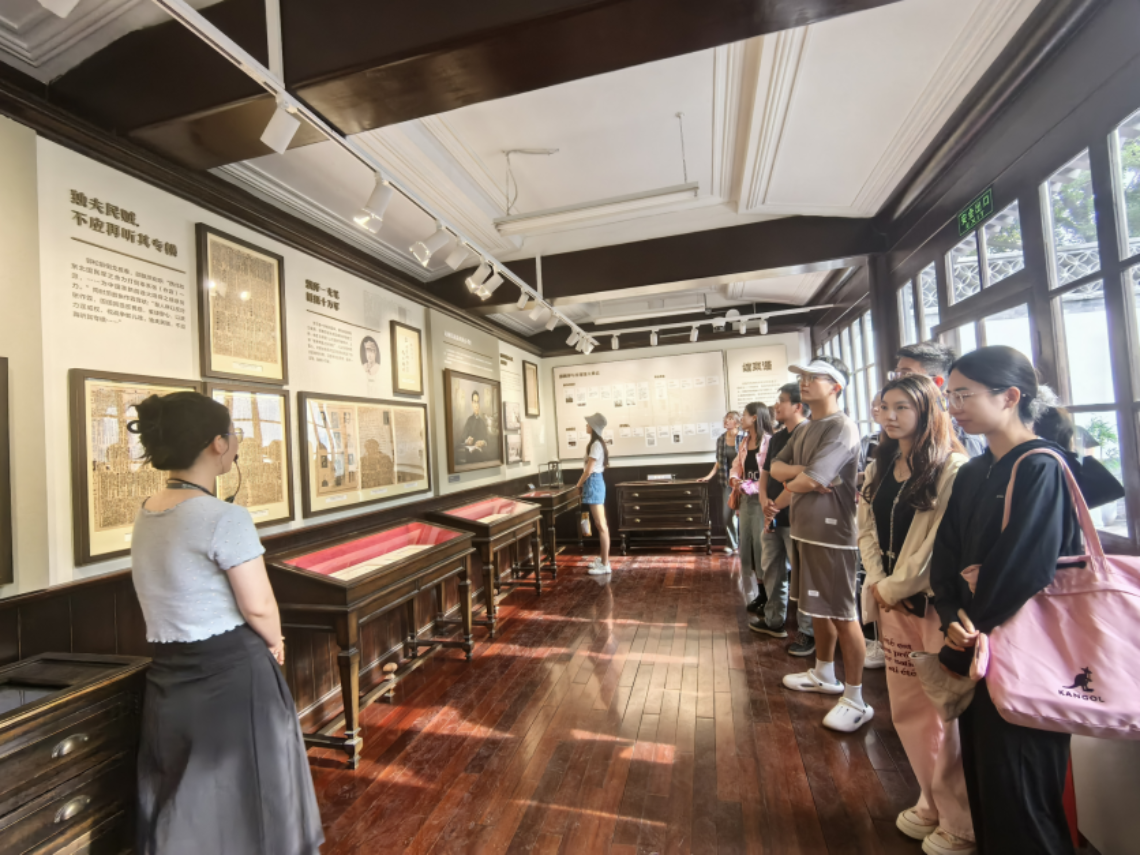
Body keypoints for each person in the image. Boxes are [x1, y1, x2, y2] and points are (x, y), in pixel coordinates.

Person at [127, 392, 323, 855]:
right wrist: (276, 642)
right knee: (252, 792)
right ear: (218, 444)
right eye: (233, 435)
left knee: (184, 793)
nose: (236, 443)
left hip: (169, 672)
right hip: (232, 671)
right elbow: (259, 605)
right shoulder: (224, 517)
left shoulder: (147, 511)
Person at [931, 346, 1082, 854]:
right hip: (977, 645)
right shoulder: (974, 470)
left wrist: (968, 622)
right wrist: (950, 614)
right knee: (988, 785)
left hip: (1023, 651)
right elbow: (945, 553)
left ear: (1010, 396)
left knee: (1023, 793)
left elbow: (1027, 569)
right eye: (951, 397)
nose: (955, 407)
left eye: (965, 395)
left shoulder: (1041, 466)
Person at [858, 375, 972, 856]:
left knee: (946, 710)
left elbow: (937, 546)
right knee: (908, 710)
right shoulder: (880, 465)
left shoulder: (952, 467)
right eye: (884, 406)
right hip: (890, 603)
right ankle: (929, 801)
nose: (889, 416)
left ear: (928, 409)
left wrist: (893, 587)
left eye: (902, 407)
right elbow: (865, 528)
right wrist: (878, 582)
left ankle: (961, 821)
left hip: (931, 607)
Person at [767, 356, 869, 732]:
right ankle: (824, 673)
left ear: (836, 387)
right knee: (818, 610)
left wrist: (805, 478)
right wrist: (804, 475)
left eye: (814, 377)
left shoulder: (843, 427)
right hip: (805, 531)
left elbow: (812, 480)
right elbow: (778, 469)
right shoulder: (807, 427)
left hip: (833, 537)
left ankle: (856, 698)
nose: (804, 383)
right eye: (803, 377)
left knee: (843, 614)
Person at [750, 383, 815, 650]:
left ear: (798, 406)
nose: (776, 406)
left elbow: (807, 475)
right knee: (772, 569)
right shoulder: (777, 437)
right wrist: (764, 500)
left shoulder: (809, 433)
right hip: (773, 514)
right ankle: (774, 619)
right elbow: (766, 472)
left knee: (802, 575)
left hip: (798, 516)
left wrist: (774, 505)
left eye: (782, 401)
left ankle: (808, 631)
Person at [893, 341, 986, 458]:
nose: (897, 381)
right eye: (897, 374)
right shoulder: (899, 426)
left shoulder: (962, 435)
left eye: (906, 374)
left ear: (936, 382)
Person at [728, 402, 774, 611]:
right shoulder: (744, 442)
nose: (741, 419)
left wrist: (752, 486)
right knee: (748, 546)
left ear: (755, 417)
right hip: (746, 501)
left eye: (744, 415)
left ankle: (770, 596)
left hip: (762, 500)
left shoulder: (770, 442)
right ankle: (760, 592)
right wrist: (735, 479)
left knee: (762, 546)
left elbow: (771, 474)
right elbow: (736, 466)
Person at [577, 412, 612, 575]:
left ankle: (605, 564)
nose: (586, 425)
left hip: (594, 482)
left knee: (601, 525)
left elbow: (589, 470)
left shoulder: (596, 445)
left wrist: (578, 484)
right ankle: (603, 559)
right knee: (600, 524)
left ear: (593, 427)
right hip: (595, 482)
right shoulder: (596, 444)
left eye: (588, 423)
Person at [706, 411, 743, 554]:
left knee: (743, 515)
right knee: (726, 516)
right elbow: (719, 462)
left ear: (737, 423)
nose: (726, 421)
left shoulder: (744, 437)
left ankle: (746, 545)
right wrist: (709, 476)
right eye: (725, 419)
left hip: (744, 482)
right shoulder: (721, 439)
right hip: (727, 482)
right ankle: (734, 545)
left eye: (730, 419)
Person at [460, 390, 490, 457]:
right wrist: (467, 441)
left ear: (479, 404)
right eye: (474, 402)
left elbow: (487, 439)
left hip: (481, 455)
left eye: (477, 402)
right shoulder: (469, 420)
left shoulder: (483, 422)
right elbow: (463, 438)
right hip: (470, 456)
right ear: (472, 404)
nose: (476, 405)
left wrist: (483, 442)